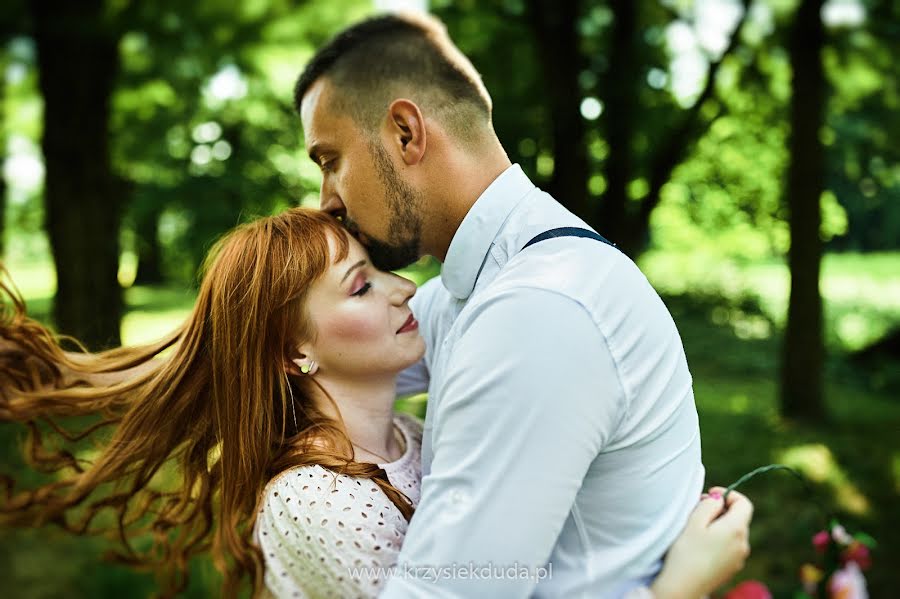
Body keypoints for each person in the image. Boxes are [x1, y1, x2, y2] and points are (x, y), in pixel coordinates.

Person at [0, 209, 748, 599]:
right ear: (295, 353)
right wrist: (678, 584)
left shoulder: (412, 436)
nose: (401, 288)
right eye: (360, 286)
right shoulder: (315, 501)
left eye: (378, 271)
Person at [292, 11, 747, 597]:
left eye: (330, 160)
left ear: (405, 133)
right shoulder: (488, 275)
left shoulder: (536, 311)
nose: (326, 199)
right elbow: (320, 359)